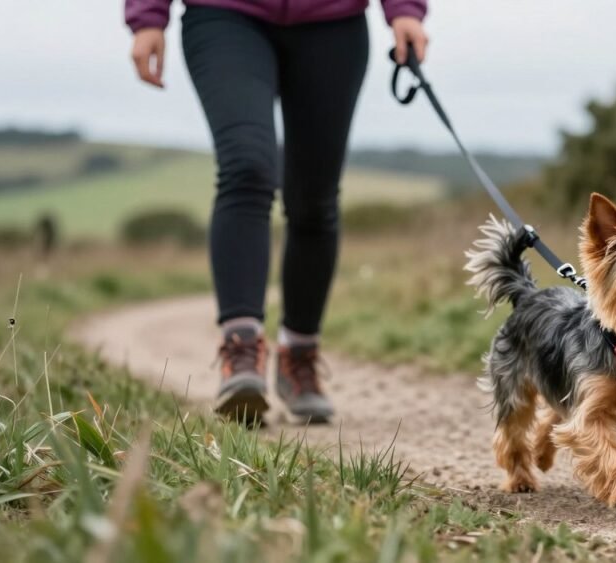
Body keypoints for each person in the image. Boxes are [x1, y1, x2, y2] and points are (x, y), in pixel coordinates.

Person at [125, 0, 428, 424]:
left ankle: (298, 355)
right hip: (224, 14)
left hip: (333, 20)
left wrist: (405, 9)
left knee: (314, 196)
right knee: (246, 166)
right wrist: (147, 15)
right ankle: (241, 350)